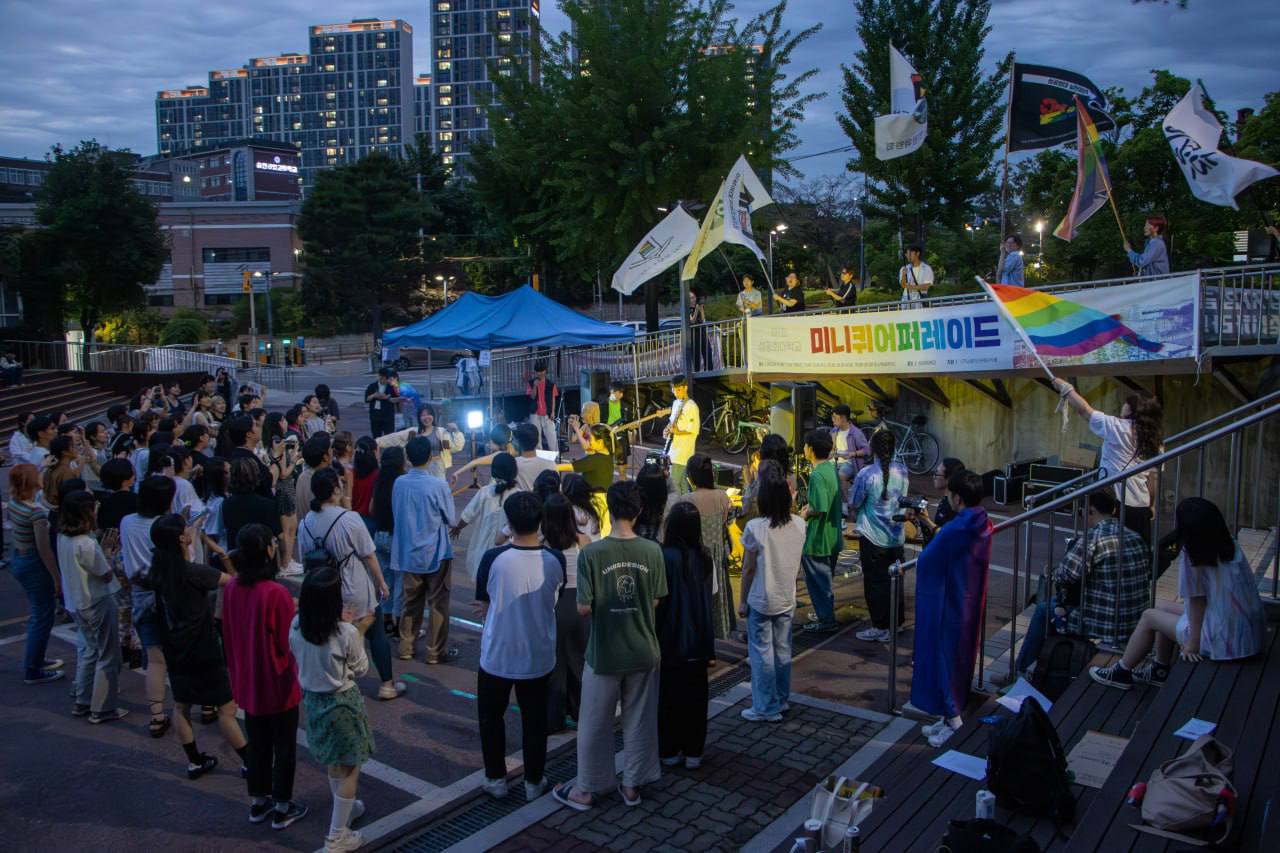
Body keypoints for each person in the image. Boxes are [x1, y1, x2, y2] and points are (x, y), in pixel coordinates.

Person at [553, 481, 667, 812]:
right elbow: (656, 599)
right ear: (639, 510)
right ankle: (632, 785)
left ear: (610, 511)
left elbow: (583, 607)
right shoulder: (652, 551)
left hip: (604, 650)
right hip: (643, 647)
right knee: (640, 719)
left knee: (594, 722)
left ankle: (587, 788)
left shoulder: (592, 553)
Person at [1090, 497, 1266, 690]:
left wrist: (1193, 643)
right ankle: (1159, 668)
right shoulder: (1229, 544)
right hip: (1246, 631)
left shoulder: (1194, 555)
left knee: (1149, 616)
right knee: (1160, 607)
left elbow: (1197, 600)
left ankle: (1121, 671)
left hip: (1224, 641)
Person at [143, 514, 249, 780]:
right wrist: (223, 556)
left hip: (174, 647)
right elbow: (233, 582)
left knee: (181, 706)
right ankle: (249, 761)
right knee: (226, 709)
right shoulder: (192, 572)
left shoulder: (158, 572)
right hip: (203, 647)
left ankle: (194, 760)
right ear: (181, 538)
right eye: (186, 528)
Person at [474, 491, 564, 800]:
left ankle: (495, 778)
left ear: (509, 523)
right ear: (540, 521)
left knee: (491, 718)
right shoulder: (554, 560)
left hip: (497, 653)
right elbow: (555, 598)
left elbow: (483, 601)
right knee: (535, 720)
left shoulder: (493, 558)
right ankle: (533, 782)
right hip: (538, 654)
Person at [220, 523, 308, 828]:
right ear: (268, 551)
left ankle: (259, 800)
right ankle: (283, 805)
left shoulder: (233, 587)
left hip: (247, 677)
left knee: (257, 743)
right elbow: (288, 642)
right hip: (278, 680)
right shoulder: (276, 593)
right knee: (284, 747)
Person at [1013, 490, 1149, 678]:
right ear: (1113, 510)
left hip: (1106, 622)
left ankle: (1020, 672)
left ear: (1090, 510)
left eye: (1082, 512)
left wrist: (1051, 572)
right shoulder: (1134, 536)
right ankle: (1039, 668)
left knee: (1044, 609)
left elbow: (1065, 575)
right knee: (1056, 606)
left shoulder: (1093, 538)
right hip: (1135, 619)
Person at [289, 567, 374, 852]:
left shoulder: (296, 625)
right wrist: (360, 629)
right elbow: (361, 668)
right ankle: (337, 836)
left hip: (313, 701)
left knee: (334, 762)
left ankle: (345, 811)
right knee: (350, 766)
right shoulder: (345, 632)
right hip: (342, 703)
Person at [299, 470, 402, 700]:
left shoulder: (305, 523)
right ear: (336, 490)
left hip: (324, 590)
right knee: (375, 634)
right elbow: (369, 555)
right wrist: (382, 583)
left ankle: (339, 682)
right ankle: (387, 684)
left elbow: (305, 560)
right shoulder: (349, 519)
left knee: (333, 637)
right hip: (354, 588)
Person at [908, 471, 993, 748]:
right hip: (968, 600)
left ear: (957, 498)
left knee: (943, 662)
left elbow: (928, 560)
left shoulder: (957, 528)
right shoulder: (981, 521)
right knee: (960, 660)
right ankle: (948, 717)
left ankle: (954, 721)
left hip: (948, 604)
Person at [1053, 380, 1162, 544]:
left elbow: (1084, 410)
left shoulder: (1116, 427)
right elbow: (1153, 478)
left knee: (1111, 546)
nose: (1123, 406)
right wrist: (1152, 506)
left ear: (1131, 409)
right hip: (1141, 505)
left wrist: (1066, 388)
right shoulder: (1155, 441)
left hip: (1115, 502)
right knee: (1138, 548)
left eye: (1127, 403)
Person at [738, 460, 806, 722]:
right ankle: (780, 698)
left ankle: (765, 706)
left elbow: (748, 569)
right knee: (782, 650)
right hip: (786, 597)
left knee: (762, 654)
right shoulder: (799, 524)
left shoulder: (755, 528)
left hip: (760, 599)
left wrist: (742, 601)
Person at [58, 490, 126, 722]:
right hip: (96, 601)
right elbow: (105, 574)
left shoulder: (63, 537)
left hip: (76, 602)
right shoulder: (86, 544)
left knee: (89, 652)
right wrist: (107, 553)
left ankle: (83, 700)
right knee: (108, 655)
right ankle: (103, 708)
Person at [656, 501, 714, 766]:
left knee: (669, 697)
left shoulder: (664, 556)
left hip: (670, 637)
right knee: (696, 699)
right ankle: (694, 752)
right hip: (699, 638)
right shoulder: (705, 557)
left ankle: (669, 750)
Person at [391, 438, 458, 665]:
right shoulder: (438, 485)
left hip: (409, 551)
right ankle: (435, 651)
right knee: (438, 603)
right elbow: (450, 518)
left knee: (411, 601)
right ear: (430, 457)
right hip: (436, 551)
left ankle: (406, 646)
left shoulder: (399, 483)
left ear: (408, 458)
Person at [849, 430, 910, 642]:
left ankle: (880, 626)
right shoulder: (902, 470)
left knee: (875, 583)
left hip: (873, 536)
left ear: (873, 448)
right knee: (895, 581)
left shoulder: (866, 474)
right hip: (896, 535)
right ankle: (895, 624)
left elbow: (854, 502)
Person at [7, 464, 64, 685]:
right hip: (33, 563)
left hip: (19, 558)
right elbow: (44, 549)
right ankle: (33, 668)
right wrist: (56, 578)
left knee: (38, 612)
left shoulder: (14, 503)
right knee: (42, 616)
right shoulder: (35, 512)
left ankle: (37, 659)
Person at [668, 454, 733, 638]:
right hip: (716, 555)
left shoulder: (686, 500)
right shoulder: (722, 497)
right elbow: (724, 524)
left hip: (695, 555)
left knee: (695, 600)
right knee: (716, 597)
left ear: (690, 477)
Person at [542, 492, 592, 733]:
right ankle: (582, 712)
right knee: (579, 661)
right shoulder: (582, 540)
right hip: (579, 604)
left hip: (553, 604)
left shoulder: (543, 542)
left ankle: (554, 718)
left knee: (555, 665)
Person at [453, 452, 521, 580]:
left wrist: (458, 528)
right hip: (508, 551)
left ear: (493, 471)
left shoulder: (485, 492)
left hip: (483, 550)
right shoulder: (519, 495)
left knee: (483, 582)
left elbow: (468, 514)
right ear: (514, 472)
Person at [800, 430, 843, 633]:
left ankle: (826, 620)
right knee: (825, 581)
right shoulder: (830, 468)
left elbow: (819, 507)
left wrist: (805, 513)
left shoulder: (817, 475)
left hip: (818, 538)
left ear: (810, 449)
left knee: (818, 584)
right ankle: (825, 615)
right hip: (833, 537)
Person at [376, 403, 465, 480]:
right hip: (417, 469)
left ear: (433, 416)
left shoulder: (442, 432)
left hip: (437, 469)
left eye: (428, 414)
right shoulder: (413, 433)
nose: (426, 417)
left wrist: (456, 431)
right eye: (423, 415)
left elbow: (455, 447)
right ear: (419, 417)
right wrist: (377, 442)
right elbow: (395, 438)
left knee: (437, 490)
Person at [371, 446, 407, 633]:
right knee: (401, 581)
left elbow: (371, 508)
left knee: (386, 579)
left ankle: (386, 621)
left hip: (379, 535)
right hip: (396, 536)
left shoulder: (379, 480)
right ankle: (400, 623)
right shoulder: (401, 483)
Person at [222, 458, 284, 565]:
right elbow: (279, 535)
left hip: (236, 558)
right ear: (256, 476)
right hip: (263, 560)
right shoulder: (267, 504)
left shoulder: (226, 503)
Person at [663, 375, 699, 495]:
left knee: (673, 486)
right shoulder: (675, 403)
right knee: (683, 485)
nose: (676, 393)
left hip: (682, 452)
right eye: (674, 390)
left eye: (678, 390)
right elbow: (671, 422)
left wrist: (677, 432)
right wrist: (666, 429)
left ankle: (677, 505)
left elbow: (694, 430)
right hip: (673, 450)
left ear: (685, 388)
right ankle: (686, 504)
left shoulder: (691, 406)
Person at [831, 404, 872, 494]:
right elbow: (832, 448)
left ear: (843, 418)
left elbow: (867, 450)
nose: (832, 419)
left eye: (834, 417)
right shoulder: (834, 431)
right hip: (835, 461)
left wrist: (852, 454)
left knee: (840, 476)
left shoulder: (855, 433)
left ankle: (846, 500)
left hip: (850, 462)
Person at [512, 422, 558, 491]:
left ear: (518, 443)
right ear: (537, 441)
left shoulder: (512, 465)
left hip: (521, 498)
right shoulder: (551, 464)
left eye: (513, 440)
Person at [526, 361, 560, 453]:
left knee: (551, 435)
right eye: (538, 371)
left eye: (542, 371)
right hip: (535, 413)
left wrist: (553, 412)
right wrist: (534, 386)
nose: (540, 373)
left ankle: (556, 455)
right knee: (536, 436)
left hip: (547, 413)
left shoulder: (551, 384)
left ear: (545, 371)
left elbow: (553, 398)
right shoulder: (531, 383)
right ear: (535, 372)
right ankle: (538, 456)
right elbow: (532, 397)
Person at [364, 367, 400, 439]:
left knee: (390, 437)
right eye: (382, 378)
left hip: (388, 415)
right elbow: (366, 399)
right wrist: (374, 395)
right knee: (376, 437)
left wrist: (388, 398)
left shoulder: (391, 386)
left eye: (386, 378)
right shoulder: (372, 386)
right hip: (375, 416)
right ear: (379, 376)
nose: (385, 380)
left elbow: (398, 398)